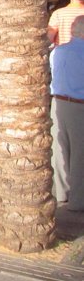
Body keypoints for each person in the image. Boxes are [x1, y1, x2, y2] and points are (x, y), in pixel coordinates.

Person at [50, 15, 84, 211]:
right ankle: (78, 201)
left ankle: (62, 192)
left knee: (61, 149)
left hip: (59, 102)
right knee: (79, 154)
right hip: (79, 104)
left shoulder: (58, 51)